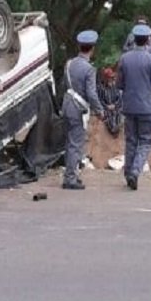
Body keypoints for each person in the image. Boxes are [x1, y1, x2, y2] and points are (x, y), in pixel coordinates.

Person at [117, 23, 151, 191]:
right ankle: (135, 171)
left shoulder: (124, 58)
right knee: (145, 141)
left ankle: (128, 171)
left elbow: (119, 84)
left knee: (130, 140)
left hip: (129, 106)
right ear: (148, 40)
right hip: (146, 107)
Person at [61, 30, 105, 190]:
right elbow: (91, 94)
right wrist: (100, 110)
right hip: (77, 107)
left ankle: (72, 174)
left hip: (67, 104)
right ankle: (70, 178)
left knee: (70, 142)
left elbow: (63, 85)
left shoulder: (69, 64)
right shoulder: (89, 69)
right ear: (92, 48)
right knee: (75, 143)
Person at [97, 67, 123, 137]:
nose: (111, 79)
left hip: (115, 106)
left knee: (118, 112)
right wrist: (106, 106)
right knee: (108, 114)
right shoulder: (101, 88)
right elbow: (100, 100)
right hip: (106, 107)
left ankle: (117, 127)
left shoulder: (115, 86)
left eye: (112, 77)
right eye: (109, 78)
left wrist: (115, 105)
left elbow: (119, 98)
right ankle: (112, 128)